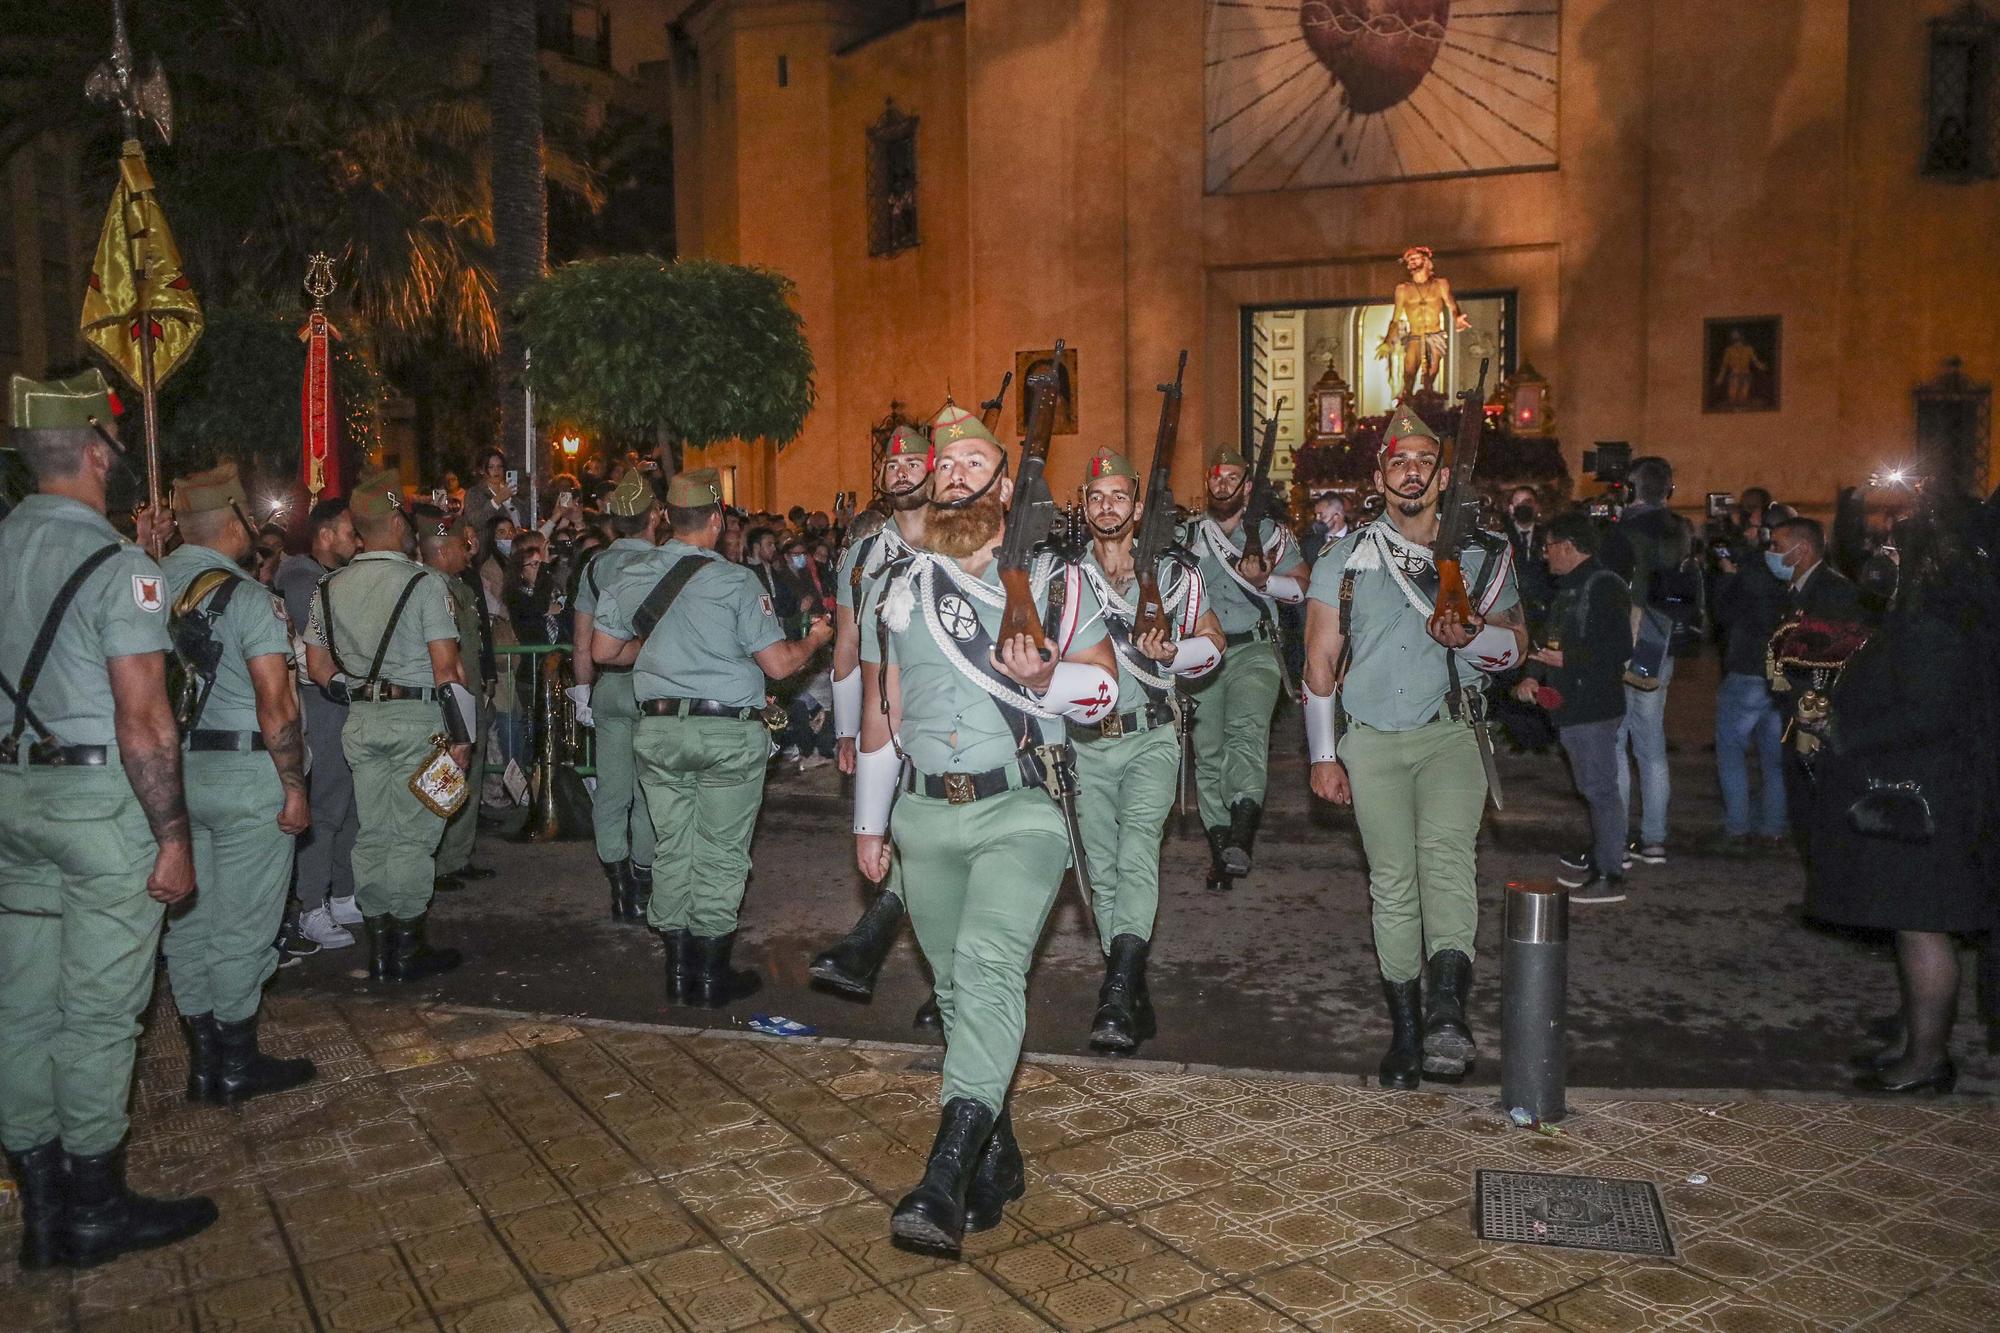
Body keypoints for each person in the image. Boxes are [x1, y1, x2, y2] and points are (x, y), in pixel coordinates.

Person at [852, 407, 1118, 1256]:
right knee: (961, 993)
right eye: (947, 463)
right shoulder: (896, 585)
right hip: (924, 815)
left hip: (1022, 809)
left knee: (991, 967)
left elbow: (1105, 692)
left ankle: (945, 1172)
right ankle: (999, 1154)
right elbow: (879, 715)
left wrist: (1051, 677)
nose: (957, 474)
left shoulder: (1056, 580)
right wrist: (870, 823)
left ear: (1008, 485)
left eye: (976, 462)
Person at [0, 370, 218, 1268]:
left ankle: (41, 1213)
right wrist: (173, 835)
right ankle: (95, 1207)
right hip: (99, 809)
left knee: (20, 1006)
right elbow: (146, 720)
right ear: (95, 451)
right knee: (97, 1013)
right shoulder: (122, 571)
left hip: (12, 799)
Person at [1302, 404, 1525, 1089]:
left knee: (1448, 863)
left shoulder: (1484, 553)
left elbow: (1515, 646)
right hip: (1371, 744)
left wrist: (1472, 635)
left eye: (1423, 461)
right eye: (1397, 461)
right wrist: (1322, 753)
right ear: (1380, 474)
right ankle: (1405, 1030)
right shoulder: (1345, 558)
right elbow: (1318, 666)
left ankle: (1448, 1013)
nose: (1410, 472)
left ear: (1442, 474)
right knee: (1393, 883)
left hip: (1451, 732)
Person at [590, 469, 832, 1008]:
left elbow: (605, 653)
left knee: (674, 844)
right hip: (726, 733)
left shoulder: (630, 572)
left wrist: (656, 656)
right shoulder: (737, 582)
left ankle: (678, 974)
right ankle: (711, 975)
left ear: (665, 518)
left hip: (658, 730)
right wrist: (815, 640)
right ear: (718, 520)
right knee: (721, 850)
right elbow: (777, 664)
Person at [1810, 497, 1999, 1094]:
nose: (1881, 554)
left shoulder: (1934, 623)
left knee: (1923, 925)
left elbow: (1930, 712)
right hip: (1920, 789)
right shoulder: (1928, 612)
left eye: (1894, 547)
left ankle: (1926, 1062)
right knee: (1908, 923)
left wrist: (1841, 733)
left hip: (1926, 798)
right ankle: (1914, 1040)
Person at [158, 461, 317, 1105]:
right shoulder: (250, 598)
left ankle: (201, 1063)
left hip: (172, 776)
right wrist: (295, 784)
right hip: (247, 774)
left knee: (189, 922)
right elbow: (276, 705)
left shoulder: (142, 584)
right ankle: (235, 1063)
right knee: (243, 928)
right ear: (231, 525)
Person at [1073, 447, 1225, 1050]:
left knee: (1137, 853)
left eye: (1118, 496)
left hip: (1151, 736)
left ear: (1137, 507)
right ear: (1083, 508)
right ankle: (1128, 986)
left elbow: (1213, 639)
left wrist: (1176, 654)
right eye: (1096, 496)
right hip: (1085, 745)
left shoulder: (1173, 572)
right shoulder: (1060, 576)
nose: (1107, 506)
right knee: (1102, 872)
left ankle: (1113, 995)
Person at [303, 470, 472, 982]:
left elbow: (317, 665)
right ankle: (408, 945)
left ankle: (378, 948)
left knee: (374, 832)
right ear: (398, 523)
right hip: (420, 720)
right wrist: (462, 738)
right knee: (416, 834)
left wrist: (355, 692)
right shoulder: (425, 584)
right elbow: (447, 669)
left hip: (361, 722)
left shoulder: (329, 587)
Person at [811, 425, 937, 1008]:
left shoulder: (965, 542)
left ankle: (942, 981)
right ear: (881, 481)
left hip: (957, 726)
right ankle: (938, 981)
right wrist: (846, 730)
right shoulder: (862, 558)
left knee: (938, 850)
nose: (903, 471)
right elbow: (850, 650)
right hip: (889, 723)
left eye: (915, 462)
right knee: (916, 840)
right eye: (894, 466)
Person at [1178, 445, 1306, 892]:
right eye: (1216, 477)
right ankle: (1221, 848)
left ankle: (1243, 835)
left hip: (1254, 650)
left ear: (1247, 487)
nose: (1223, 484)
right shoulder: (1188, 535)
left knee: (1246, 733)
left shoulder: (1273, 535)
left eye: (1232, 477)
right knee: (1207, 750)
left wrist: (1265, 581)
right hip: (1203, 654)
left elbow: (1303, 587)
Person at [1516, 512, 1632, 902]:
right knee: (1590, 785)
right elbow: (1549, 640)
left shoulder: (1604, 587)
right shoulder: (1569, 588)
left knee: (1600, 789)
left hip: (1594, 704)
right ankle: (1602, 856)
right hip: (1572, 704)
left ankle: (1610, 874)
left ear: (1568, 546)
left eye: (1549, 546)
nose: (1545, 555)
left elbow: (1618, 649)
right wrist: (1533, 674)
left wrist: (1565, 661)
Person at [569, 471, 662, 923]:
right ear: (654, 518)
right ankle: (643, 886)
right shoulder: (669, 563)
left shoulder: (595, 566)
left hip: (608, 688)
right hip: (654, 689)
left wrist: (583, 691)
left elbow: (582, 640)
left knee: (611, 793)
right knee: (647, 794)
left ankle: (619, 888)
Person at [274, 497, 363, 947]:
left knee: (348, 805)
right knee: (325, 807)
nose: (357, 540)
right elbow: (326, 648)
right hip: (321, 699)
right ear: (325, 535)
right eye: (350, 532)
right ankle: (311, 905)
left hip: (341, 699)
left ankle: (343, 892)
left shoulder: (329, 579)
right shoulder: (303, 581)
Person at [1599, 455, 1694, 866]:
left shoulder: (1623, 533)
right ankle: (1654, 838)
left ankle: (1617, 840)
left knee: (1615, 741)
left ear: (1629, 489)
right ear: (1668, 490)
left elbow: (1610, 590)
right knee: (1651, 744)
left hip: (1625, 639)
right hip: (1663, 639)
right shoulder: (1684, 530)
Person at [418, 507, 494, 894]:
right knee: (445, 777)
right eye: (462, 545)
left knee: (470, 778)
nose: (469, 552)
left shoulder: (460, 587)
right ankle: (436, 862)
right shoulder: (429, 588)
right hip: (448, 700)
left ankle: (457, 857)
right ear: (443, 548)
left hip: (470, 694)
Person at [1710, 520, 1790, 849]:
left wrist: (1728, 575)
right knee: (1774, 758)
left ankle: (1737, 826)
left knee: (1731, 752)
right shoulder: (1793, 576)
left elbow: (1722, 614)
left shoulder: (1749, 573)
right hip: (1780, 672)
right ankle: (1772, 825)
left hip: (1745, 668)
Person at [460, 447, 520, 536]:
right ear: (481, 470)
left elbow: (524, 517)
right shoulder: (474, 493)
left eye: (500, 466)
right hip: (489, 547)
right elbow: (476, 522)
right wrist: (497, 500)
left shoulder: (509, 490)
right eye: (491, 467)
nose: (497, 471)